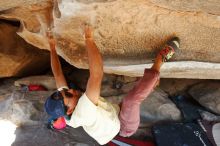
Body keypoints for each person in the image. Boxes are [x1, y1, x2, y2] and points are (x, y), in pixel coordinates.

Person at [45, 25, 180, 145]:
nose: (72, 90)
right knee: (131, 100)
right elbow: (96, 74)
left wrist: (51, 46)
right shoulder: (83, 112)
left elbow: (57, 74)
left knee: (135, 95)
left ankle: (150, 83)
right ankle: (160, 59)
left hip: (114, 112)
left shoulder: (65, 105)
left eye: (66, 91)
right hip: (124, 127)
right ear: (69, 110)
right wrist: (88, 38)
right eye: (69, 94)